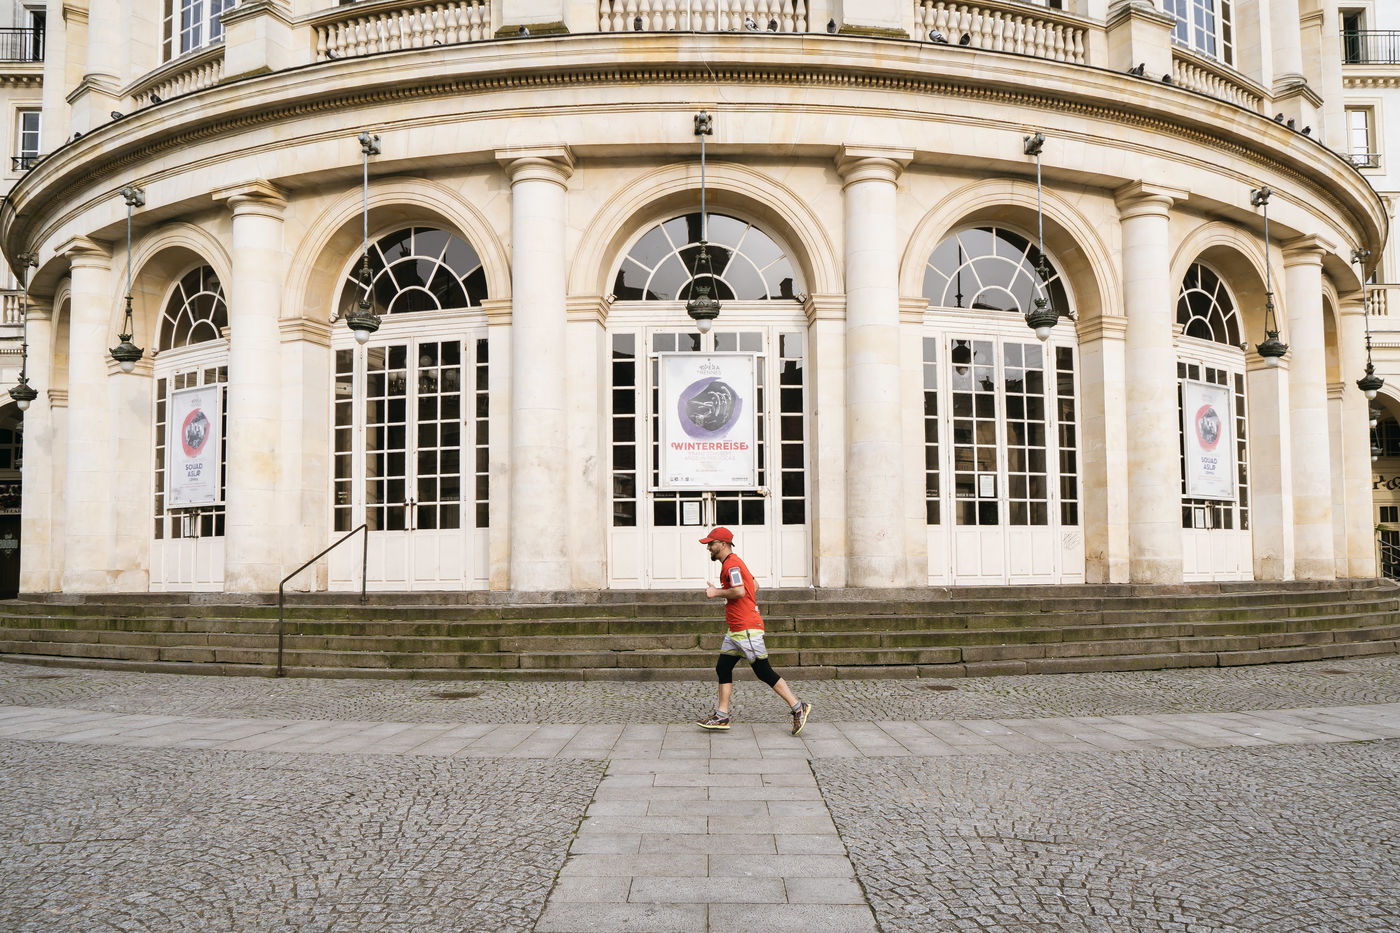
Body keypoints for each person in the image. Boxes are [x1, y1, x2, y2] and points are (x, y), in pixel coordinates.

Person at [695, 526, 811, 735]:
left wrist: (716, 592)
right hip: (736, 629)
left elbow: (740, 591)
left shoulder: (732, 565)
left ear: (723, 544)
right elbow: (754, 585)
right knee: (723, 667)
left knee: (763, 671)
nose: (708, 548)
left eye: (711, 544)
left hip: (746, 628)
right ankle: (721, 716)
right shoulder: (735, 563)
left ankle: (797, 707)